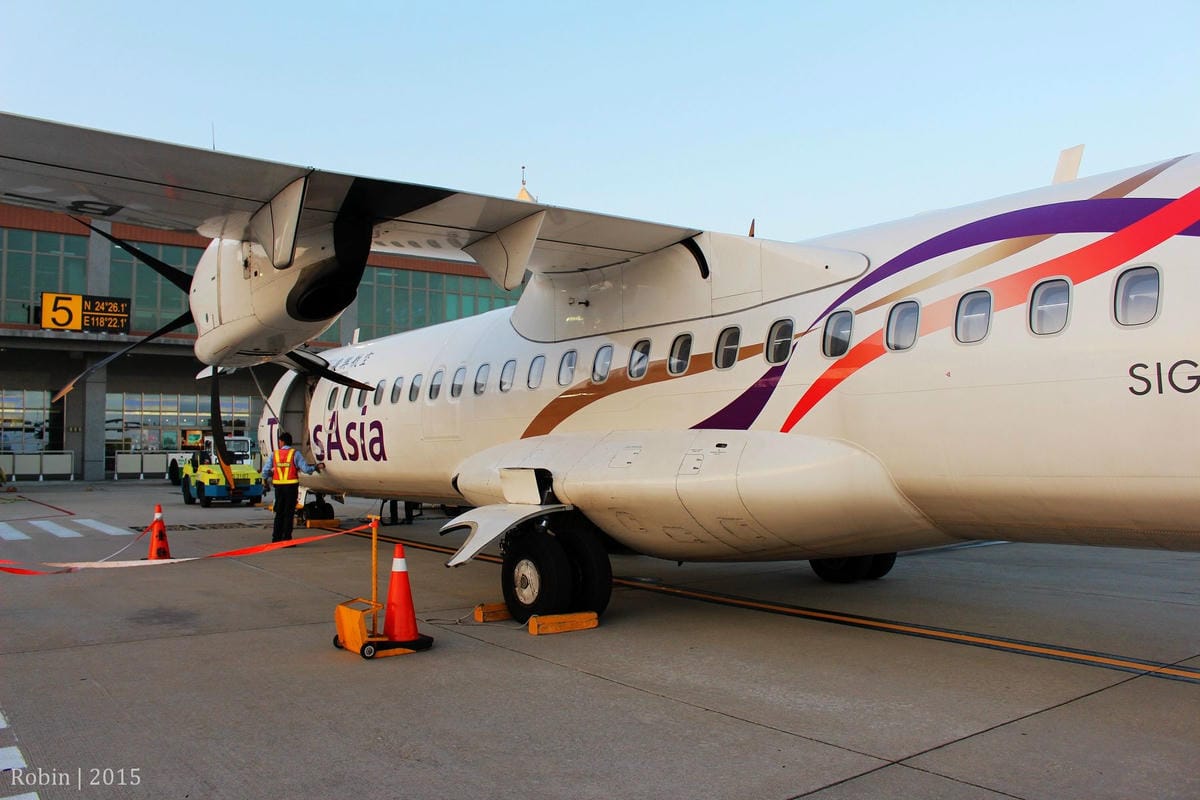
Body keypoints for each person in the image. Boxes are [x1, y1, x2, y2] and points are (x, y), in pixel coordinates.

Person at [261, 432, 322, 543]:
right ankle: (286, 538)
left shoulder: (275, 454)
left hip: (279, 488)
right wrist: (316, 467)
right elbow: (306, 469)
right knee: (289, 514)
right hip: (291, 487)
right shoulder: (295, 454)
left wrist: (266, 480)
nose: (279, 443)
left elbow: (265, 471)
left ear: (282, 441)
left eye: (279, 441)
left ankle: (276, 538)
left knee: (279, 513)